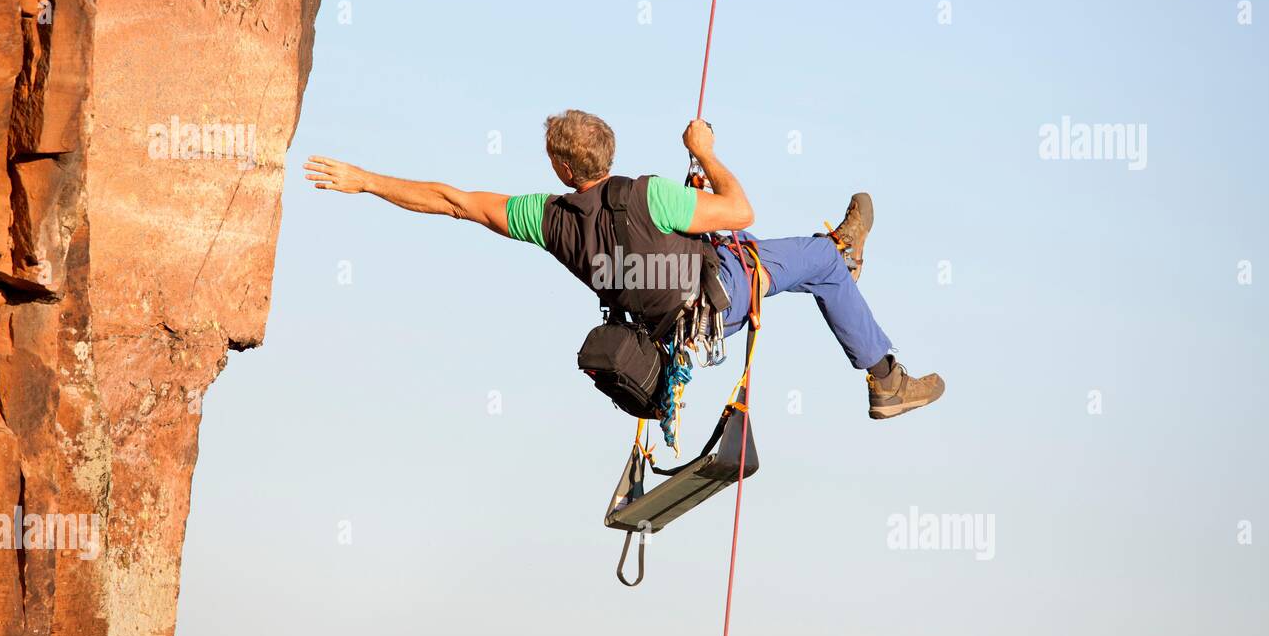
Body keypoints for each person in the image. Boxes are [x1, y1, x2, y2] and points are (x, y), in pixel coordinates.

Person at [304, 110, 944, 419]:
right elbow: (740, 209)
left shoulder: (549, 218)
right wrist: (707, 153)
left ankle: (840, 256)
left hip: (663, 328)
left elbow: (453, 202)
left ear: (561, 169)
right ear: (610, 153)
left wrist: (363, 180)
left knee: (799, 258)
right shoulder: (651, 194)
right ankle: (885, 376)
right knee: (819, 261)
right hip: (712, 303)